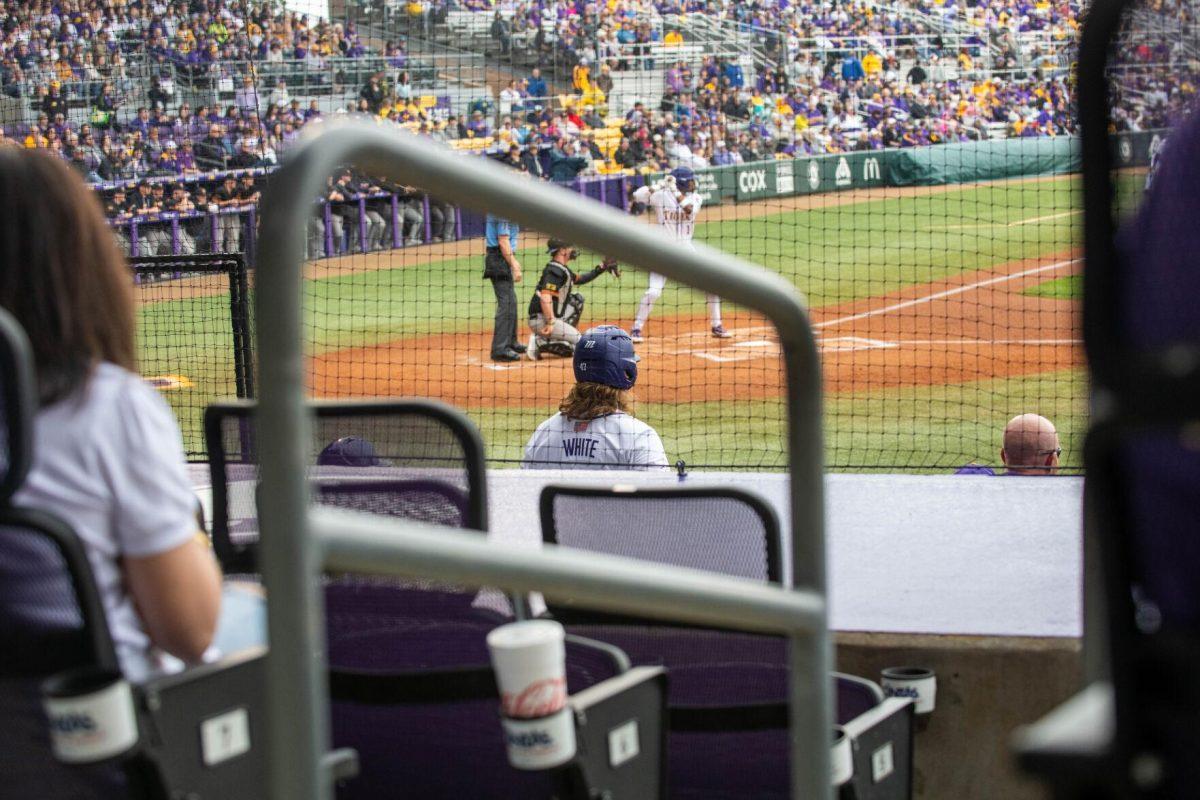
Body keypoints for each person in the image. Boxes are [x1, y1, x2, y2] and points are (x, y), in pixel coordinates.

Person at [0, 149, 264, 683]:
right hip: (99, 722)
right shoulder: (109, 407)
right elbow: (190, 634)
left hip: (17, 717)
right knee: (270, 611)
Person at [523, 326, 668, 469]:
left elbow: (523, 488)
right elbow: (658, 490)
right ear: (627, 371)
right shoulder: (641, 437)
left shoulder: (543, 433)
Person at [628, 166, 732, 342]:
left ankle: (717, 325)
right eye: (690, 180)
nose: (693, 183)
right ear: (682, 181)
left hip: (685, 249)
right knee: (653, 292)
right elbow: (636, 196)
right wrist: (658, 186)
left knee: (712, 285)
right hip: (662, 250)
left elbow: (688, 209)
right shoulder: (661, 195)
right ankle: (636, 329)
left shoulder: (695, 197)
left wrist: (674, 189)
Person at [526, 239, 620, 361]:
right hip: (540, 320)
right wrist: (550, 321)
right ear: (562, 250)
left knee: (577, 301)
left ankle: (550, 338)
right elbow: (545, 296)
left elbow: (581, 279)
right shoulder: (555, 272)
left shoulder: (561, 269)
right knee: (579, 341)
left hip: (546, 316)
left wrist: (601, 268)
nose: (573, 250)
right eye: (570, 247)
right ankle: (539, 341)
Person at [483, 166, 526, 362]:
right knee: (506, 303)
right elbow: (502, 240)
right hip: (498, 258)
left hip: (502, 257)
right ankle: (499, 349)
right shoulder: (502, 206)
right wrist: (514, 263)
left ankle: (512, 342)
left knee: (511, 301)